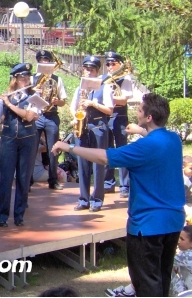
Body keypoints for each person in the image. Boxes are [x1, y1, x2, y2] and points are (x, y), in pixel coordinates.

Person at [53, 93, 185, 297]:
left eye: (140, 110)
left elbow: (104, 157)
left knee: (147, 284)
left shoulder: (143, 147)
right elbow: (153, 136)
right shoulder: (173, 139)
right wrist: (141, 130)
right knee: (162, 277)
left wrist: (69, 147)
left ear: (149, 117)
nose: (136, 112)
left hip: (148, 225)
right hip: (173, 222)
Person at [0, 63, 40, 227]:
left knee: (24, 178)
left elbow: (29, 115)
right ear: (15, 79)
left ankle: (19, 215)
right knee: (5, 179)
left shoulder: (34, 96)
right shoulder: (6, 97)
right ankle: (1, 216)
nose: (25, 79)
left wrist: (9, 105)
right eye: (21, 77)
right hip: (9, 140)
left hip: (28, 140)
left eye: (27, 76)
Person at [70, 55, 114, 212]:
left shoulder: (105, 87)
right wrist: (75, 117)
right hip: (83, 129)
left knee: (98, 165)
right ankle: (83, 199)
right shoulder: (80, 88)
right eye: (86, 69)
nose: (89, 72)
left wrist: (93, 103)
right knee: (82, 165)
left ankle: (97, 200)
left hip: (98, 129)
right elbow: (73, 107)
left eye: (92, 70)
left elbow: (110, 110)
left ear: (97, 71)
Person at [106, 226, 192, 297]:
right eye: (178, 238)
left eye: (182, 239)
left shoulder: (187, 256)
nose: (178, 241)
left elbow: (160, 261)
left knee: (162, 268)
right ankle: (131, 289)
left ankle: (131, 290)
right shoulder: (185, 254)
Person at [32, 50, 67, 191]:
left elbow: (63, 101)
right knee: (32, 148)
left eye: (46, 59)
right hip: (37, 116)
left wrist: (57, 101)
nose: (43, 62)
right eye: (41, 59)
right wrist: (35, 91)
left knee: (53, 149)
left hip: (51, 115)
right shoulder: (32, 79)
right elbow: (26, 97)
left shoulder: (57, 80)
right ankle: (28, 180)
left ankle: (53, 180)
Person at [102, 51, 133, 198]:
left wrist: (107, 98)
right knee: (108, 150)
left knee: (122, 150)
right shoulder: (104, 79)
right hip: (106, 117)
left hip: (119, 117)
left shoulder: (125, 79)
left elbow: (123, 100)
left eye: (113, 63)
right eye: (107, 64)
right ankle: (108, 183)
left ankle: (125, 185)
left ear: (120, 64)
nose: (109, 66)